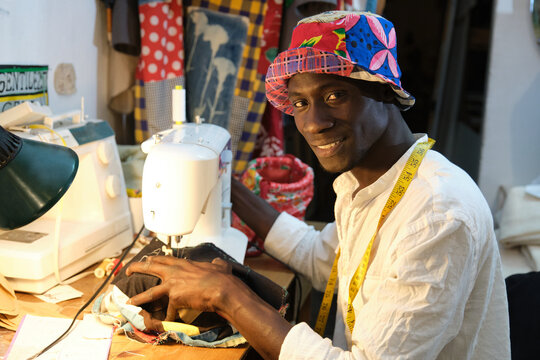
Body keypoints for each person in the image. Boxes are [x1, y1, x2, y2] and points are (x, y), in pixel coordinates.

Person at [125, 11, 511, 359]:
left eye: (334, 96)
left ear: (383, 91)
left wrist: (227, 295)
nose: (313, 124)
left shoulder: (436, 215)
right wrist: (222, 185)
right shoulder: (367, 184)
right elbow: (324, 259)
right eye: (300, 104)